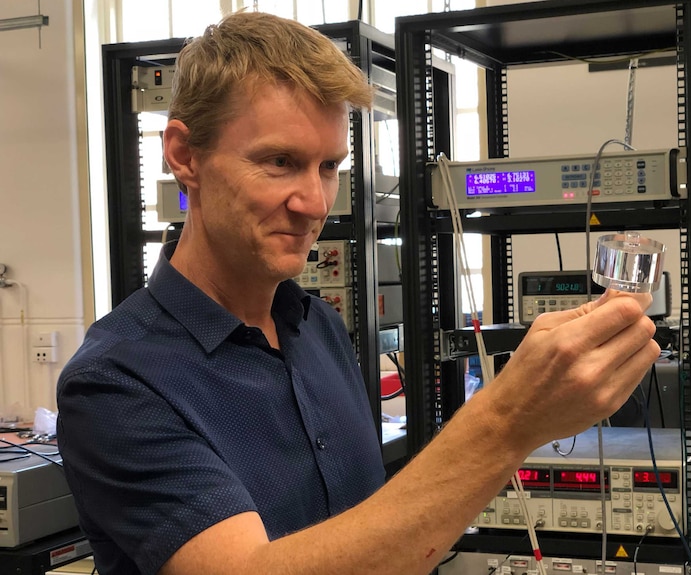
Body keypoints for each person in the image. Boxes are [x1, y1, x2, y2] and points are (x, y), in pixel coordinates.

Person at [56, 11, 660, 575]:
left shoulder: (314, 326)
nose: (315, 204)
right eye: (279, 162)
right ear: (184, 155)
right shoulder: (117, 381)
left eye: (327, 167)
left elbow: (379, 539)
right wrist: (508, 419)